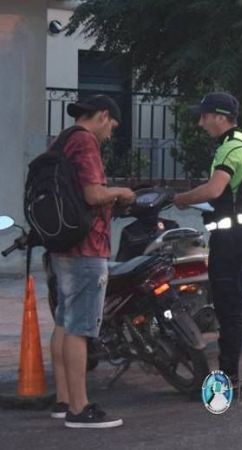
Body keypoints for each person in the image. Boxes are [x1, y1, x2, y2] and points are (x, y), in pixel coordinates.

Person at [174, 92, 242, 390]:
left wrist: (181, 198)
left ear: (220, 117)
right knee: (233, 302)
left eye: (204, 116)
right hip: (239, 237)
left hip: (233, 239)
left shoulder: (232, 147)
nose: (200, 123)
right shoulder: (241, 144)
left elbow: (214, 189)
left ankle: (227, 380)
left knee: (229, 310)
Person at [49, 95, 135, 428]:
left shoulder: (63, 140)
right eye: (112, 125)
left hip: (62, 245)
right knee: (80, 329)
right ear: (102, 115)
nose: (111, 132)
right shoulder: (86, 143)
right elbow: (93, 194)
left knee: (64, 321)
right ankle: (79, 408)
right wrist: (121, 192)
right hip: (87, 247)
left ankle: (63, 400)